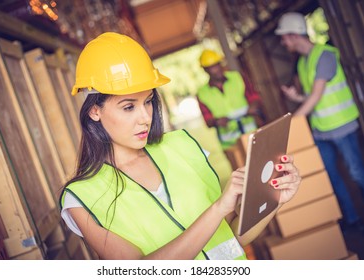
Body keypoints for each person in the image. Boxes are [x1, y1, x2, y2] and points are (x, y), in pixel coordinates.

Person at [59, 32, 301, 260]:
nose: (145, 117)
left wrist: (273, 198)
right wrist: (217, 209)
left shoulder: (184, 147)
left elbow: (230, 237)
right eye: (129, 106)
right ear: (94, 111)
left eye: (149, 102)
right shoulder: (81, 199)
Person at [275, 12, 364, 233]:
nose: (282, 42)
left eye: (284, 37)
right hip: (322, 130)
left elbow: (317, 96)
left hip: (342, 125)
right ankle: (353, 219)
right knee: (329, 175)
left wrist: (292, 123)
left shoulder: (324, 55)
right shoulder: (303, 63)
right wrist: (296, 98)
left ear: (294, 35)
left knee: (356, 172)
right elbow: (312, 96)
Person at [197, 49, 265, 152]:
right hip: (230, 144)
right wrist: (217, 121)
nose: (218, 69)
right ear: (205, 70)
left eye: (218, 64)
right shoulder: (202, 93)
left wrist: (253, 106)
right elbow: (208, 120)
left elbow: (253, 97)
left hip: (251, 136)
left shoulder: (237, 78)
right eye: (213, 67)